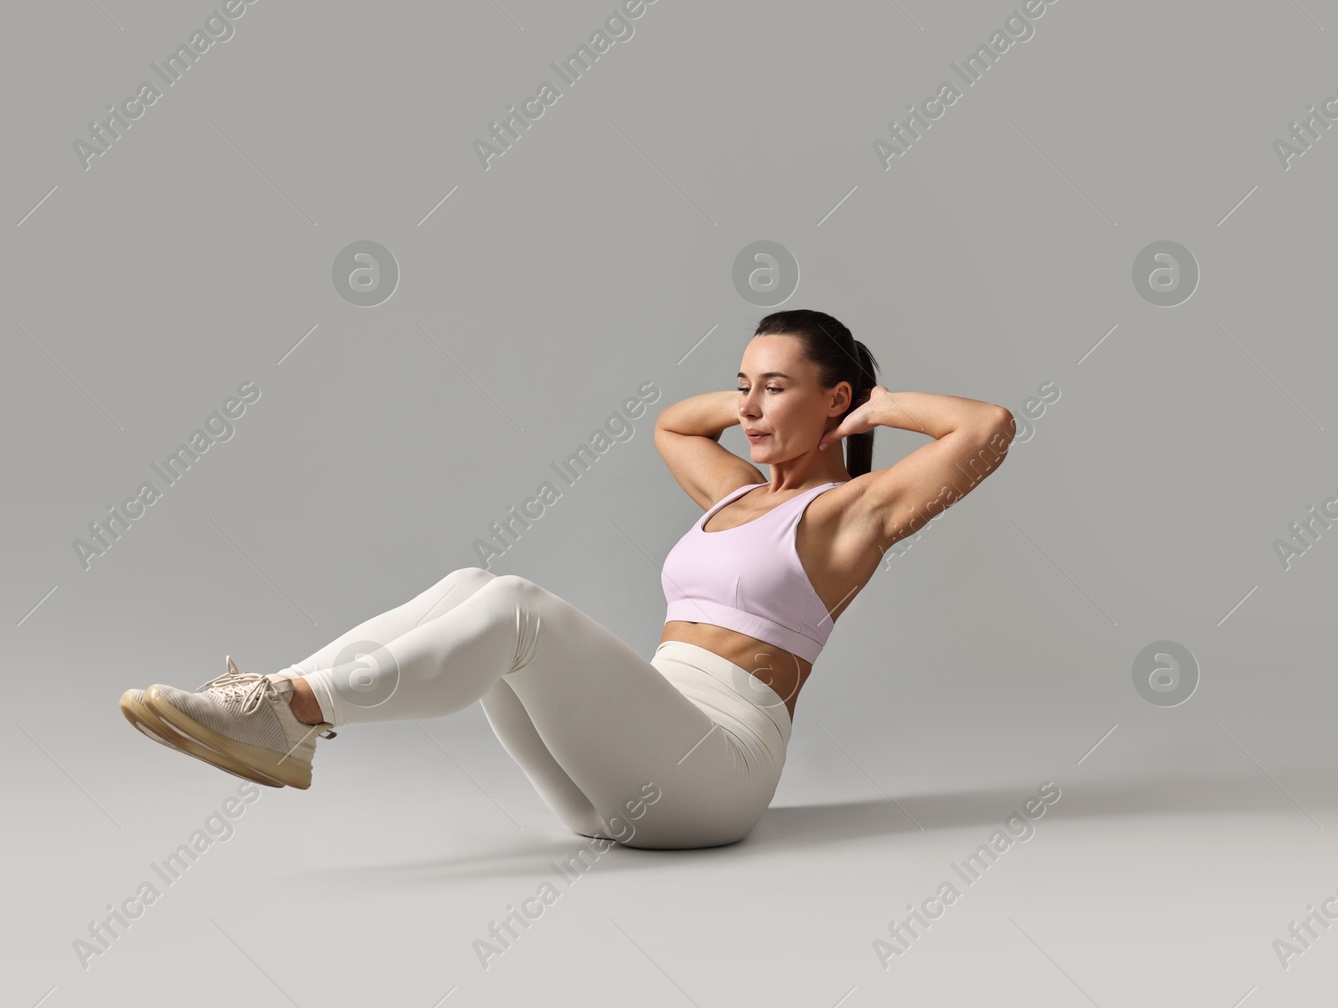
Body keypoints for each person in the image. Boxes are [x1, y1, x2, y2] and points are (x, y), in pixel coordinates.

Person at [118, 309, 1015, 849]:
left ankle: (294, 710)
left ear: (835, 399)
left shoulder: (846, 516)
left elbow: (988, 428)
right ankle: (279, 707)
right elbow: (673, 426)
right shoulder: (739, 493)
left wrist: (874, 406)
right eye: (743, 385)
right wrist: (769, 391)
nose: (744, 408)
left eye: (773, 388)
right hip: (621, 777)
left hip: (717, 774)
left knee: (517, 609)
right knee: (475, 578)